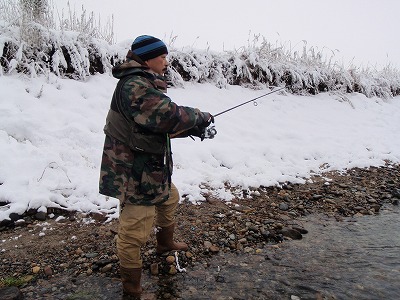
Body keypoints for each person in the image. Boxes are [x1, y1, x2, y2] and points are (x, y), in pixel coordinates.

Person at [99, 35, 213, 298]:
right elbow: (168, 114)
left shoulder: (143, 83)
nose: (166, 61)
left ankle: (164, 245)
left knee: (170, 198)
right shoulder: (135, 86)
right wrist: (201, 116)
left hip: (150, 168)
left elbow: (154, 125)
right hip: (134, 171)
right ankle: (132, 290)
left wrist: (193, 129)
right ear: (148, 59)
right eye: (162, 56)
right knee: (134, 232)